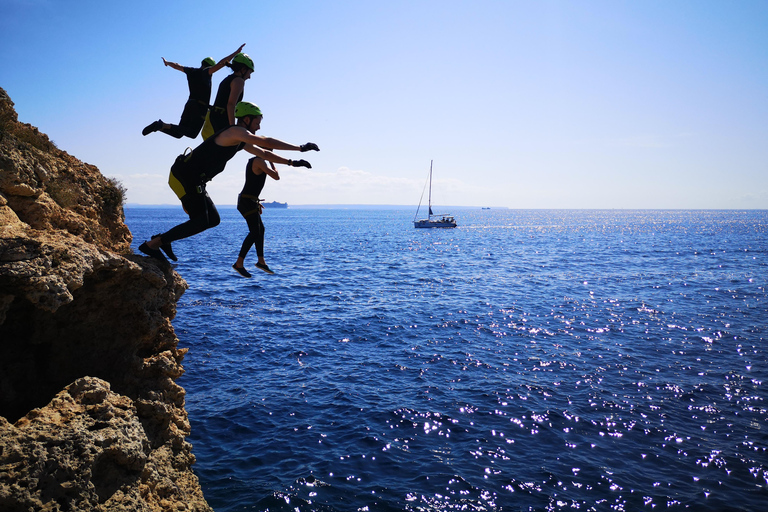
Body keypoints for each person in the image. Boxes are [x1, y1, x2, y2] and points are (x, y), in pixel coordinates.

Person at [138, 101, 319, 262]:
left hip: (195, 180)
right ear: (246, 119)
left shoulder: (239, 140)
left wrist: (292, 162)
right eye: (257, 122)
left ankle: (161, 240)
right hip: (184, 175)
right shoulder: (234, 131)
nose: (259, 127)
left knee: (213, 219)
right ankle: (154, 244)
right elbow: (265, 141)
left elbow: (263, 153)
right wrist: (300, 148)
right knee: (201, 220)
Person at [142, 44, 246, 139]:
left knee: (178, 133)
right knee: (192, 133)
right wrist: (236, 53)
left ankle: (159, 126)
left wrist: (167, 63)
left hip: (189, 104)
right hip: (199, 108)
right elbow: (222, 63)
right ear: (210, 66)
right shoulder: (206, 72)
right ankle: (162, 125)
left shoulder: (191, 71)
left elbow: (177, 65)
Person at [231, 159, 279, 277]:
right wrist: (272, 162)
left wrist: (256, 201)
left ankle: (261, 261)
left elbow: (254, 184)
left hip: (250, 201)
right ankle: (239, 263)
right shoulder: (258, 161)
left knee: (260, 230)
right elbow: (276, 176)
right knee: (255, 231)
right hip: (246, 201)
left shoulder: (260, 162)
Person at [203, 52, 254, 139]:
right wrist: (233, 128)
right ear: (243, 69)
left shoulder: (227, 79)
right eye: (250, 72)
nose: (249, 77)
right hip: (221, 119)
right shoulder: (239, 81)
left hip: (212, 117)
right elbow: (231, 104)